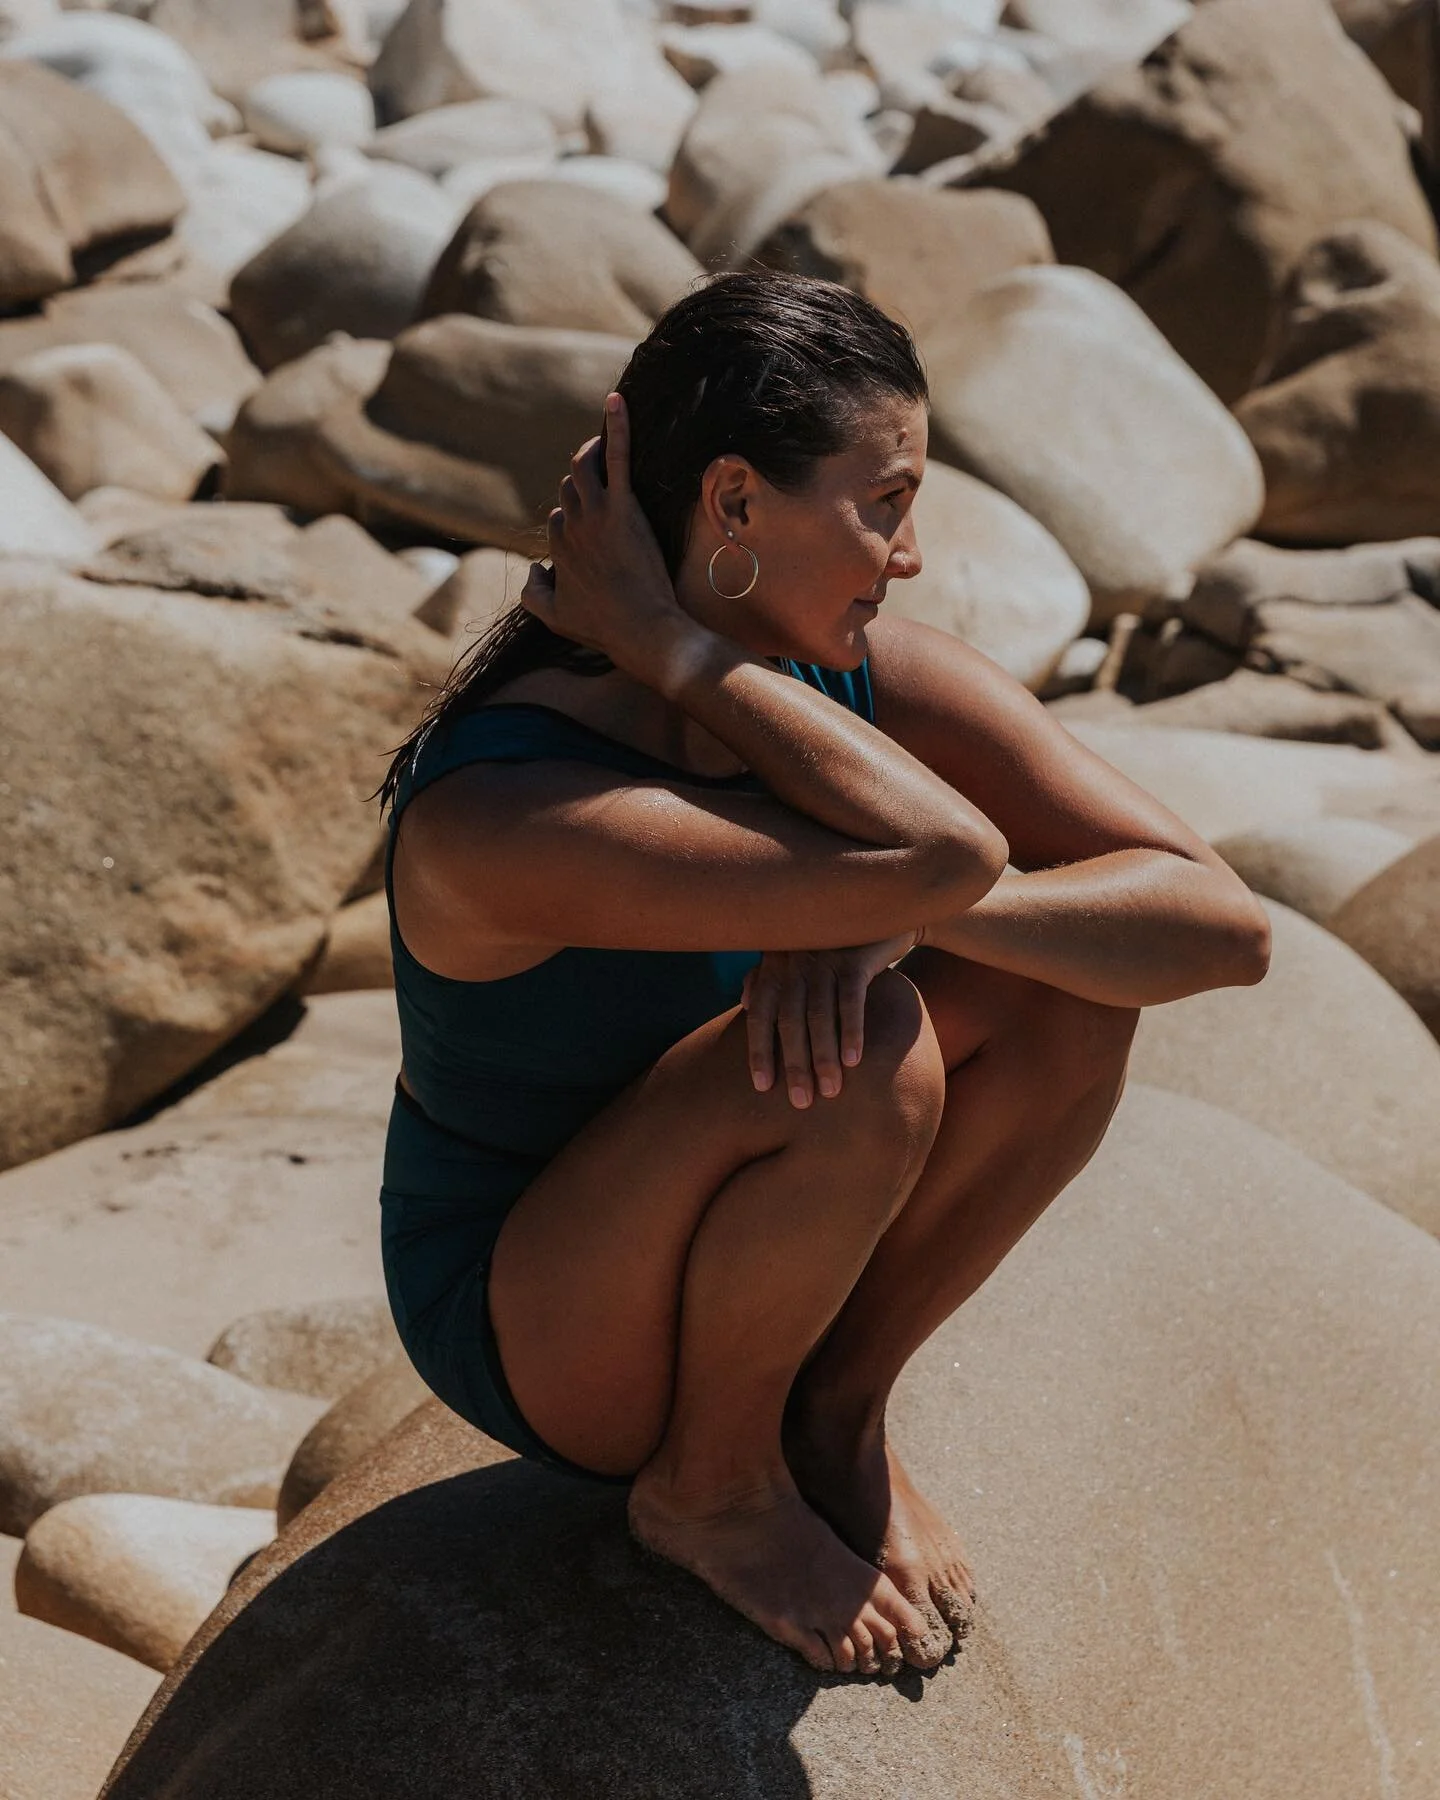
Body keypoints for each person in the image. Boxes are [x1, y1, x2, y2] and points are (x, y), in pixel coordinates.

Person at [378, 272, 1270, 1680]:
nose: (908, 556)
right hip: (540, 1311)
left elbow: (1226, 929)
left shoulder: (859, 680)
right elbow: (949, 849)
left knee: (1071, 984)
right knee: (872, 1049)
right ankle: (707, 1486)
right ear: (733, 504)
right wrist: (682, 658)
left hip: (722, 1194)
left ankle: (832, 1412)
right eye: (886, 502)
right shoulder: (503, 812)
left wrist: (877, 919)